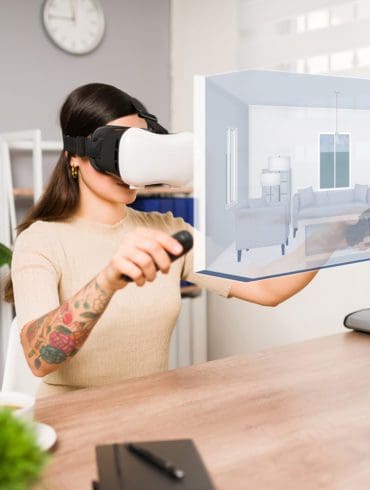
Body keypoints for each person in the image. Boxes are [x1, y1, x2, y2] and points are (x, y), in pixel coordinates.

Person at [5, 83, 322, 398]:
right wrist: (106, 282)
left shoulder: (166, 230)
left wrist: (330, 236)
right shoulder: (41, 240)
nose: (127, 167)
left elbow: (265, 287)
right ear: (74, 156)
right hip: (74, 419)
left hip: (152, 411)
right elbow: (39, 357)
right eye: (117, 150)